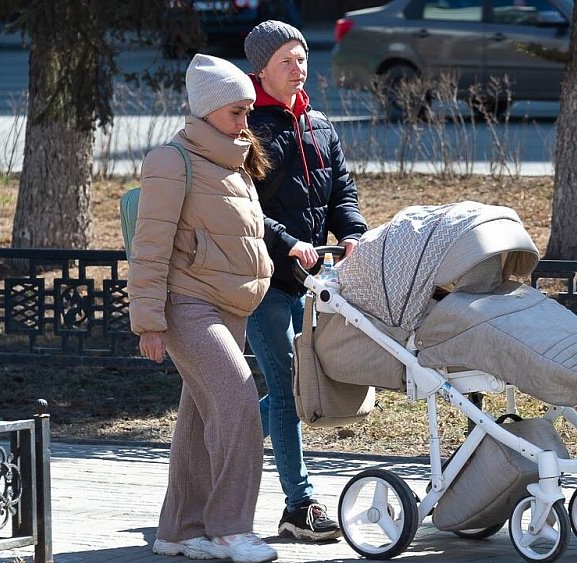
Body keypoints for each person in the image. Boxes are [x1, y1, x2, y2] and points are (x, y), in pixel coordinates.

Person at [128, 53, 278, 563]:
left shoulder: (233, 161)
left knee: (198, 419)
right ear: (207, 110)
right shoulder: (172, 161)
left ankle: (178, 531)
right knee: (238, 401)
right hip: (187, 307)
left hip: (229, 308)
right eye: (236, 112)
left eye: (247, 111)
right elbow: (150, 248)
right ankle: (231, 530)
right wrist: (149, 323)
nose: (245, 122)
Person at [242, 20, 367, 541]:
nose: (299, 70)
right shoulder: (245, 127)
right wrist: (286, 241)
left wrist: (354, 231)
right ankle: (300, 504)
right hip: (267, 278)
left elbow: (342, 190)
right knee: (290, 389)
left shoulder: (319, 122)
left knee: (304, 384)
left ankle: (221, 432)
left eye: (303, 59)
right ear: (261, 70)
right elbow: (243, 207)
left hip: (317, 278)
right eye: (287, 62)